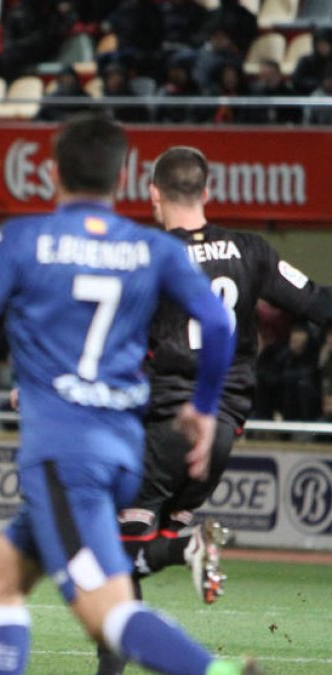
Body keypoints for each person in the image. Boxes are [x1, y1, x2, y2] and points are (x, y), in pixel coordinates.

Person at [0, 114, 256, 675]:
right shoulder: (151, 248)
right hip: (120, 452)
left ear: (53, 172)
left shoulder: (24, 239)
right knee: (2, 574)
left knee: (105, 613)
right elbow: (219, 324)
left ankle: (216, 672)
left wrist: (18, 310)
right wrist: (205, 408)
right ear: (124, 178)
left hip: (63, 455)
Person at [93, 146, 332, 675]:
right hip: (222, 435)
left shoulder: (150, 254)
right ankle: (180, 547)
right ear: (207, 192)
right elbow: (319, 304)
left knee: (106, 565)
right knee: (132, 556)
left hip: (167, 426)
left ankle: (186, 550)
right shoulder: (252, 251)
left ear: (153, 193)